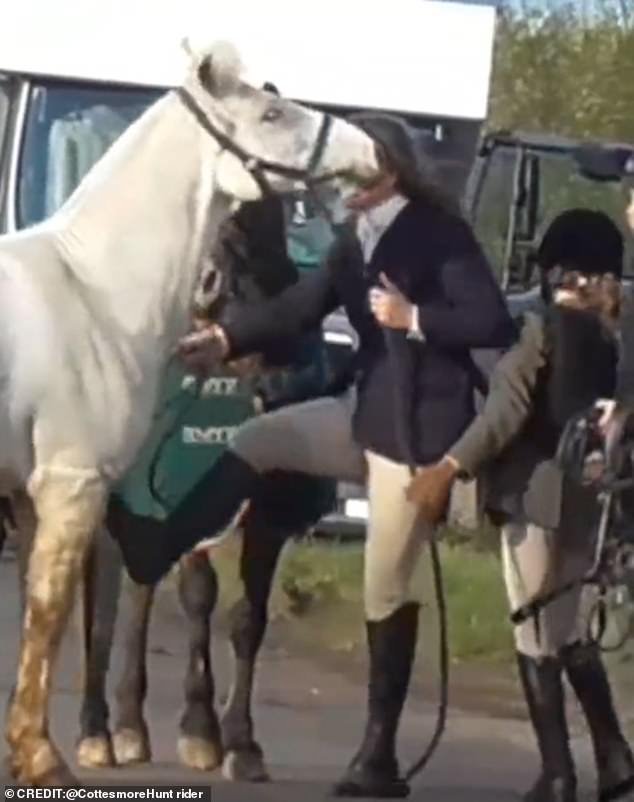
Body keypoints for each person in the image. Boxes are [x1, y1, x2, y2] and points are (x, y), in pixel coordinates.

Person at [108, 112, 515, 798]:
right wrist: (224, 340)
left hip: (415, 436)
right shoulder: (354, 238)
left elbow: (491, 320)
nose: (332, 179)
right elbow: (298, 307)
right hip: (363, 412)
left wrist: (414, 319)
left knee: (384, 585)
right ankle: (157, 544)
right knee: (254, 440)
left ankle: (377, 758)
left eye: (349, 166)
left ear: (383, 170)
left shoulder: (438, 234)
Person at [407, 209, 634, 802]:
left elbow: (503, 414)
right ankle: (614, 758)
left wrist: (449, 468)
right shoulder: (622, 332)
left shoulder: (539, 327)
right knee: (569, 627)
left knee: (535, 634)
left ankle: (557, 775)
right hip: (596, 502)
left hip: (537, 495)